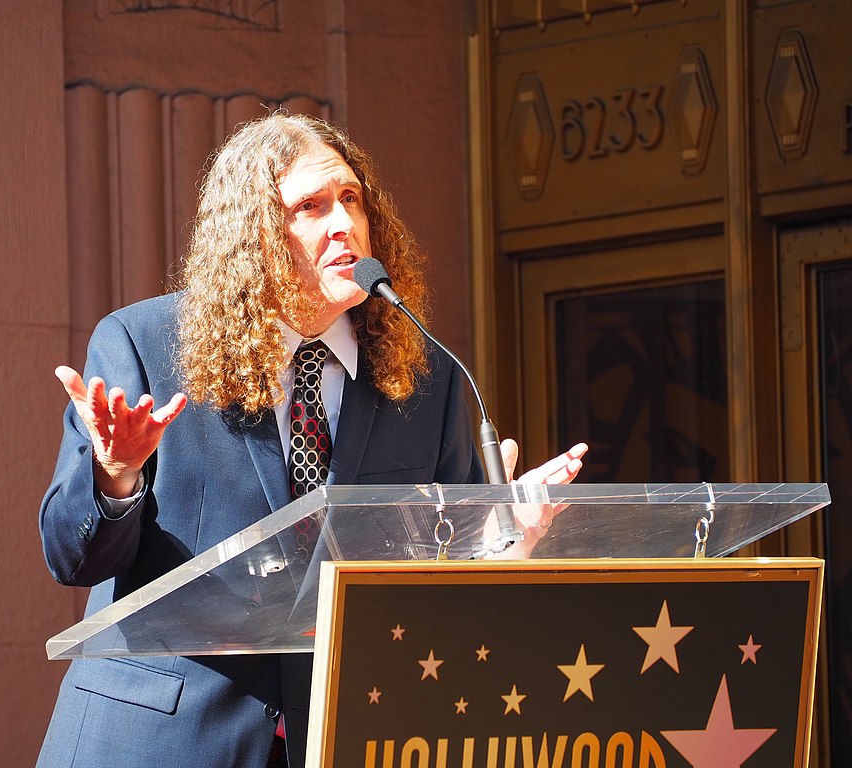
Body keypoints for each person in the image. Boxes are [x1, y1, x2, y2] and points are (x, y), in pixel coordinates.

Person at [37, 113, 587, 768]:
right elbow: (76, 562)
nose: (343, 225)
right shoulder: (147, 346)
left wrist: (508, 538)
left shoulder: (426, 378)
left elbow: (447, 579)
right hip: (166, 741)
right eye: (311, 206)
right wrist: (114, 475)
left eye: (352, 200)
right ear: (256, 236)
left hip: (346, 733)